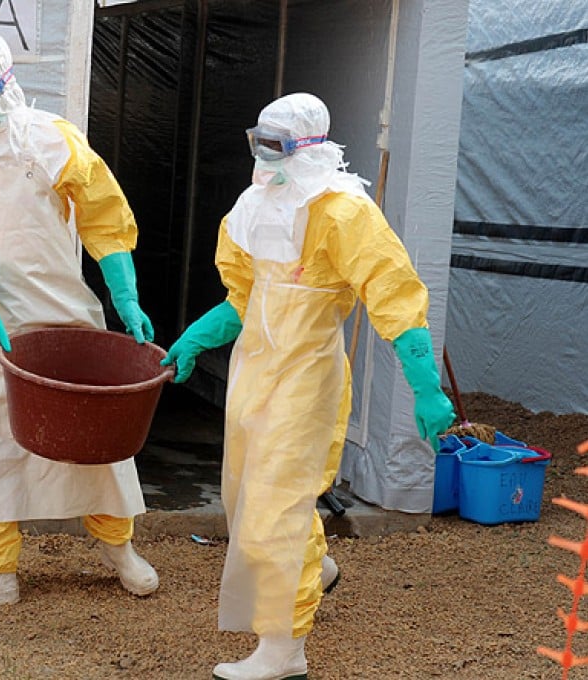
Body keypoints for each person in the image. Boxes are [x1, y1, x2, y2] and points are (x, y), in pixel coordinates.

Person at [161, 92, 455, 680]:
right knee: (249, 498)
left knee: (276, 507)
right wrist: (194, 338)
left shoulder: (343, 212)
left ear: (308, 148)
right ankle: (314, 570)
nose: (262, 155)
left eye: (273, 144)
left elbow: (393, 295)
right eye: (258, 141)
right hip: (255, 373)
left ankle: (283, 650)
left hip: (305, 379)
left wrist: (424, 383)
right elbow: (242, 299)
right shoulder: (252, 208)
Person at [0, 30, 159, 608]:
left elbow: (106, 216)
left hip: (61, 309)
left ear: (7, 82)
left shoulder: (54, 140)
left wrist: (125, 298)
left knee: (97, 434)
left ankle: (119, 549)